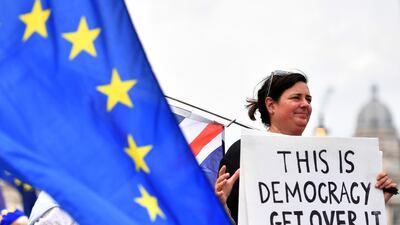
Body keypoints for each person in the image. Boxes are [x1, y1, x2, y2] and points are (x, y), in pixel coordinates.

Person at [214, 69, 398, 224]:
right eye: (296, 98)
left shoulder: (326, 159)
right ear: (271, 105)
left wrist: (373, 204)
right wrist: (220, 205)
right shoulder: (244, 153)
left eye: (308, 99)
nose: (306, 105)